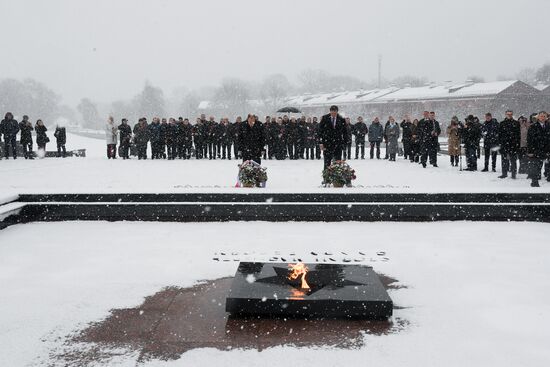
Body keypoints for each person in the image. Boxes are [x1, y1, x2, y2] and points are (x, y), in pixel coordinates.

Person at [319, 105, 347, 170]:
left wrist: (344, 143)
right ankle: (326, 179)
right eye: (332, 111)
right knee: (327, 163)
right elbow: (320, 131)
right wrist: (320, 142)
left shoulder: (341, 119)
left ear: (337, 111)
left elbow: (345, 132)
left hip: (338, 144)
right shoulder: (324, 118)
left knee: (337, 163)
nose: (333, 113)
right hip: (327, 143)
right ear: (330, 111)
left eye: (335, 111)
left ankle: (337, 179)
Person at [527, 111, 549, 187]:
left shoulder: (549, 126)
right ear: (538, 117)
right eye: (541, 116)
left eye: (544, 116)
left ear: (546, 117)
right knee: (536, 167)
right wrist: (530, 151)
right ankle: (534, 182)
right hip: (536, 150)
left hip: (547, 150)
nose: (542, 118)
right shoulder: (533, 126)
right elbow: (529, 140)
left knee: (548, 166)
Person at [498, 110, 520, 179]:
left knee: (513, 161)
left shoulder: (516, 123)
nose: (509, 115)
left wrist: (517, 144)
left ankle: (513, 174)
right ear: (505, 115)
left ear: (512, 115)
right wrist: (500, 144)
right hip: (504, 144)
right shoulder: (502, 123)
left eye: (510, 114)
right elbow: (499, 135)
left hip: (513, 144)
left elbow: (518, 135)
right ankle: (504, 173)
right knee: (504, 160)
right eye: (508, 114)